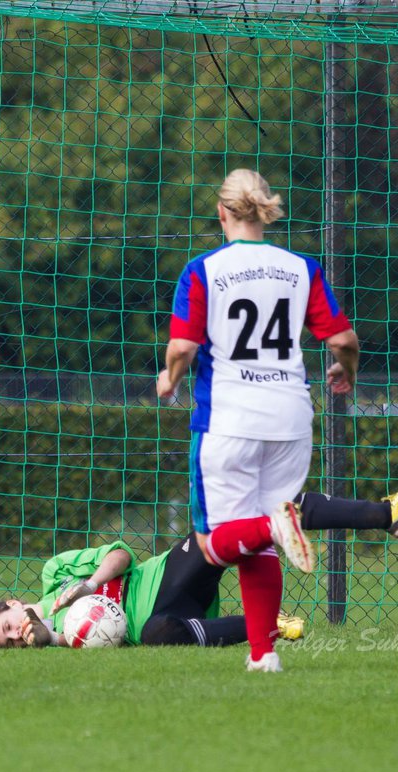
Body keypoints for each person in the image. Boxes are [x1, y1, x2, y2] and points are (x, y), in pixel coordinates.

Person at [157, 168, 360, 672]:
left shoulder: (204, 270)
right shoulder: (300, 267)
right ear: (265, 211)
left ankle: (273, 527)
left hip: (230, 419)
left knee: (215, 539)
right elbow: (342, 340)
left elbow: (183, 346)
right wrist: (346, 370)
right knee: (261, 537)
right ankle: (263, 655)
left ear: (221, 213)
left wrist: (169, 379)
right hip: (291, 418)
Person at [0, 476, 398, 649]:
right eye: (8, 643)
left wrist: (92, 584)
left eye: (9, 625)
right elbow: (79, 642)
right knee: (155, 635)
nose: (16, 634)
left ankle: (386, 514)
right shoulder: (49, 648)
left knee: (257, 515)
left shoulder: (54, 573)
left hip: (168, 576)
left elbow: (122, 554)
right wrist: (50, 639)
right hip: (168, 621)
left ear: (15, 604)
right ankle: (267, 624)